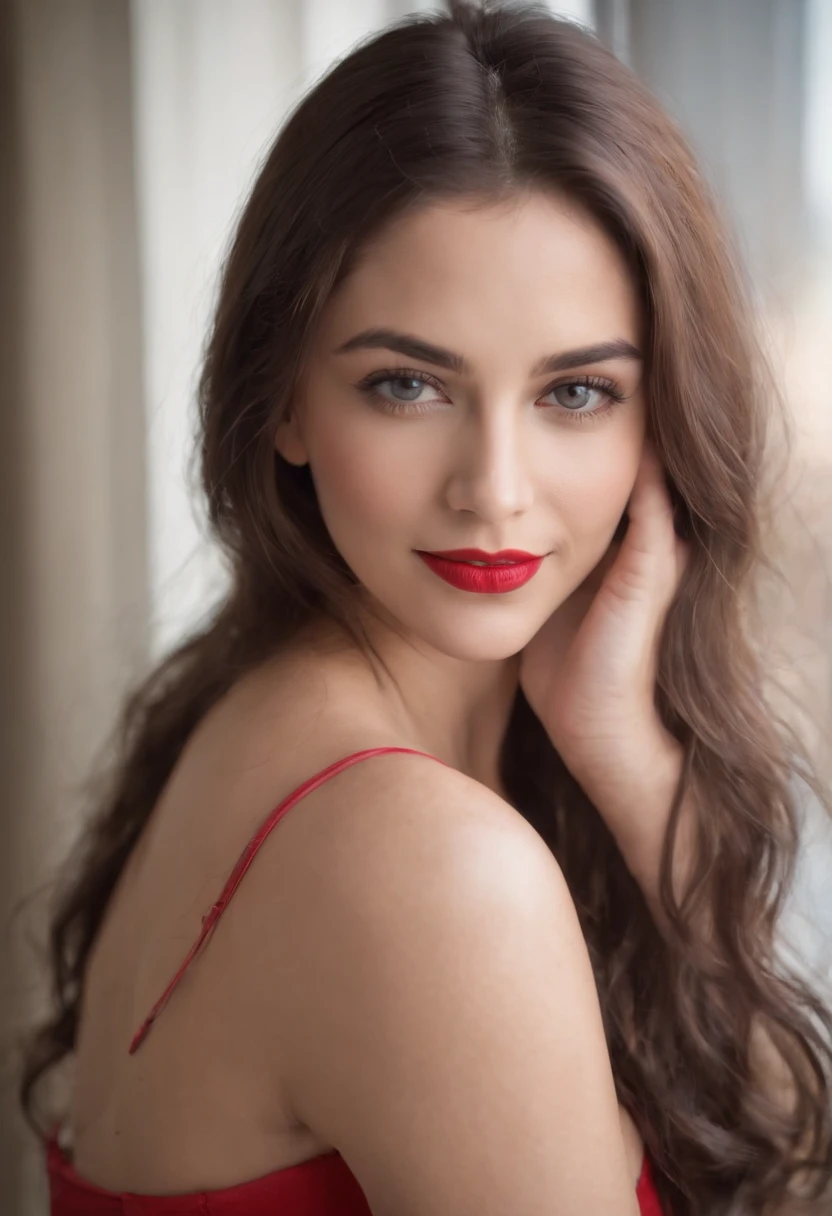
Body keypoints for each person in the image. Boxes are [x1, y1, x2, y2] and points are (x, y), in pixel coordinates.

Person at [21, 2, 832, 1213]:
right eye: (406, 384)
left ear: (661, 421)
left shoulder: (258, 709)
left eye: (575, 392)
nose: (492, 490)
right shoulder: (431, 868)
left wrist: (627, 759)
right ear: (283, 402)